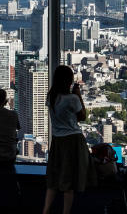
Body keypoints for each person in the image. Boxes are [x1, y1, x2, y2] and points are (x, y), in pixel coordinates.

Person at [42, 65, 90, 214]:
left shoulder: (51, 96)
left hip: (57, 140)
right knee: (68, 182)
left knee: (54, 179)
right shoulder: (72, 99)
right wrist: (78, 94)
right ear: (69, 80)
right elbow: (82, 117)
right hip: (73, 140)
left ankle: (46, 210)